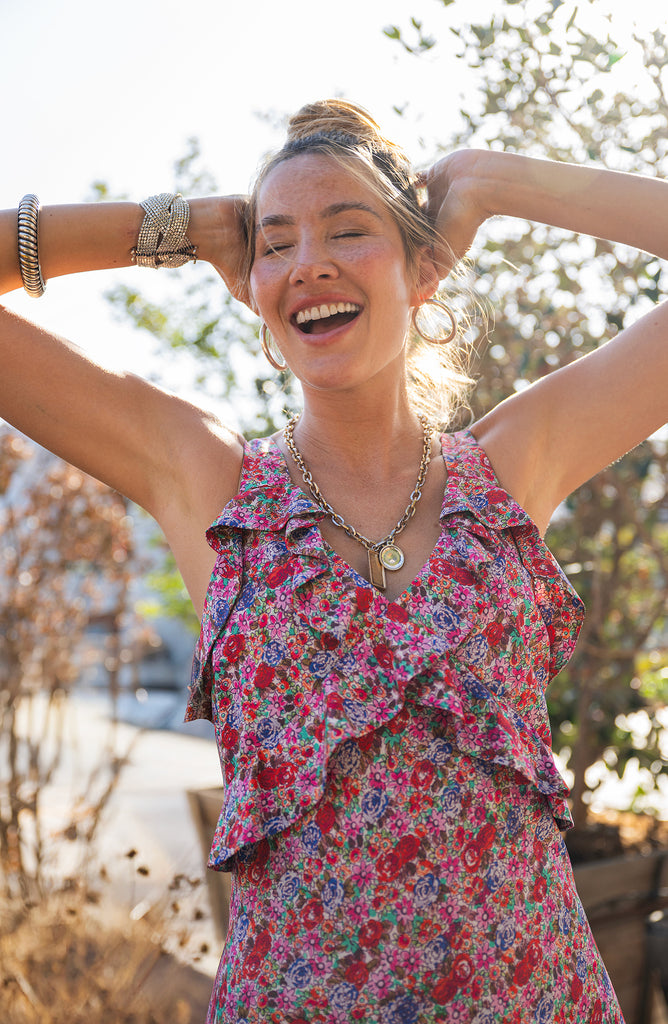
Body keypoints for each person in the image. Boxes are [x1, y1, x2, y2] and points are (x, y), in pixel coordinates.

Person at [1, 97, 665, 1023]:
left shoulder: (515, 465)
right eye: (276, 243)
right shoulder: (207, 481)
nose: (308, 262)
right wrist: (185, 227)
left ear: (424, 267)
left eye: (348, 230)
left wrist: (493, 180)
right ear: (253, 286)